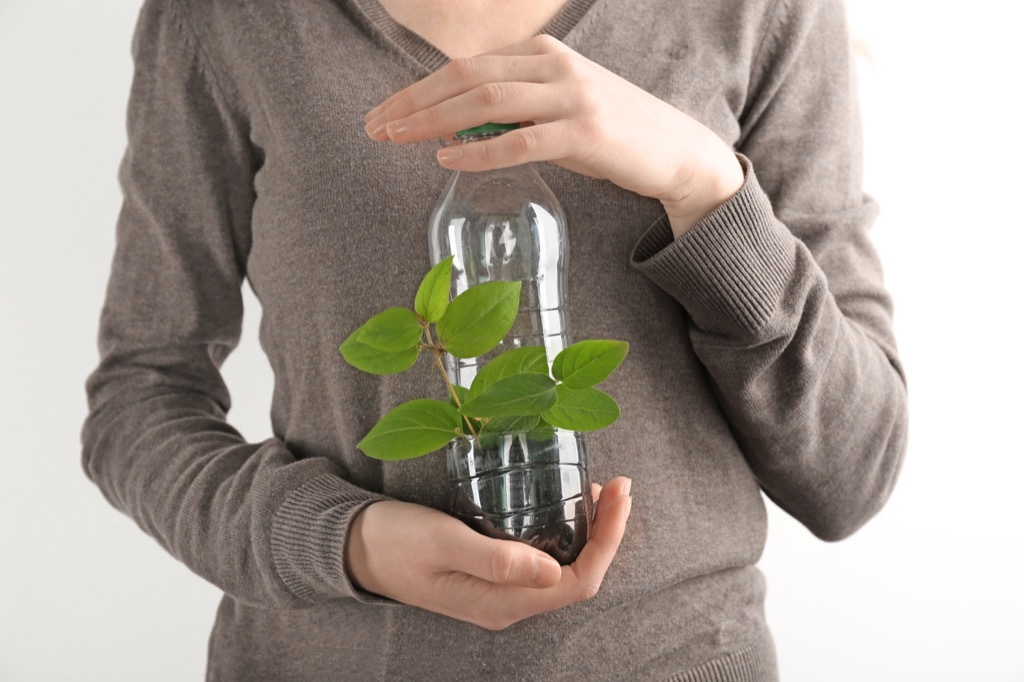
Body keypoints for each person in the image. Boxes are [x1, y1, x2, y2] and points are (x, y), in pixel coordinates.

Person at [82, 0, 908, 679]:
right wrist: (344, 542)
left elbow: (851, 474)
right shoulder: (224, 20)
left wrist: (703, 186)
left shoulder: (760, 11)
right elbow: (139, 398)